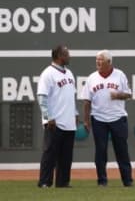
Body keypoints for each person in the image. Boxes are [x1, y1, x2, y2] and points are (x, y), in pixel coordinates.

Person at [82, 50, 133, 187]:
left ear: (109, 62)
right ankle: (102, 181)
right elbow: (87, 101)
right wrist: (86, 120)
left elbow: (129, 94)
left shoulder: (119, 75)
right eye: (97, 60)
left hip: (118, 118)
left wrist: (118, 95)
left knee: (122, 151)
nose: (98, 62)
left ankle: (127, 181)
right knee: (100, 151)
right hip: (98, 119)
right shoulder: (92, 78)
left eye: (101, 60)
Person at [36, 45, 77, 188]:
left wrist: (75, 114)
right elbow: (42, 97)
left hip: (69, 122)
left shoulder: (69, 73)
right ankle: (45, 182)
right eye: (67, 53)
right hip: (55, 121)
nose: (69, 56)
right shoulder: (48, 73)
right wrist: (48, 117)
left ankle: (63, 182)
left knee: (66, 156)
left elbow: (71, 96)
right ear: (60, 56)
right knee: (50, 154)